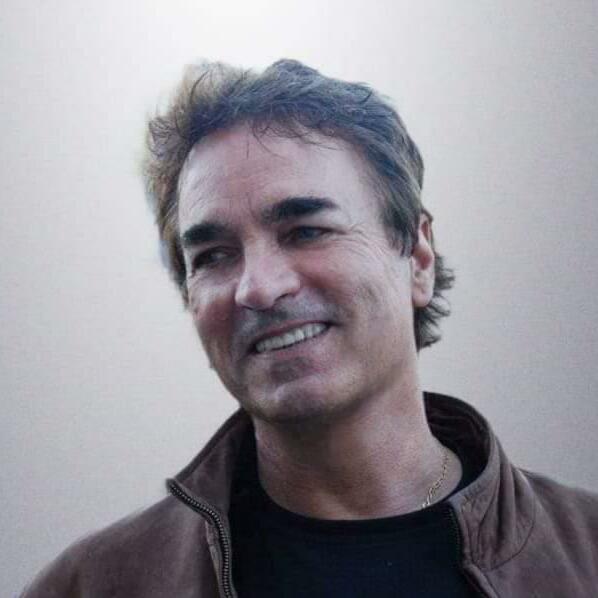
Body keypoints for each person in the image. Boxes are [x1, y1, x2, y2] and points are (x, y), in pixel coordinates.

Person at [21, 59, 598, 598]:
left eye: (306, 231)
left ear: (418, 258)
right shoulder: (93, 585)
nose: (258, 288)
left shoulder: (585, 554)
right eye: (214, 256)